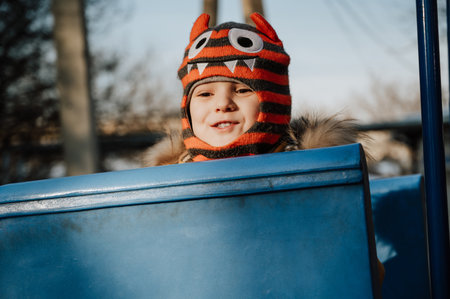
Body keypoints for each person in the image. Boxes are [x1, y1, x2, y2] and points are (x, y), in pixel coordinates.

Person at [143, 12, 384, 282]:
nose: (223, 104)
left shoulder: (311, 176)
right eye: (205, 94)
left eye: (242, 90)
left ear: (272, 102)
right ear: (187, 108)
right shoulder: (163, 185)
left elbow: (356, 267)